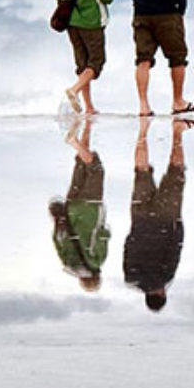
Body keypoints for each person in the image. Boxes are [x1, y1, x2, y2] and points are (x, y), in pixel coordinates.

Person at [124, 117, 194, 311]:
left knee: (176, 174)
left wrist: (178, 224)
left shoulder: (165, 277)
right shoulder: (131, 276)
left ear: (162, 295)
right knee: (141, 172)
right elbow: (127, 248)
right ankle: (142, 131)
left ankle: (178, 133)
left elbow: (175, 248)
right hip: (139, 219)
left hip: (165, 219)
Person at [50, 117, 110, 291]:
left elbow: (102, 236)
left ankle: (74, 141)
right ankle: (86, 125)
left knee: (96, 168)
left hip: (90, 209)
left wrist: (105, 231)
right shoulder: (67, 261)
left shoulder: (97, 260)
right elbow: (57, 238)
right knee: (82, 164)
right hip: (70, 209)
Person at [56, 0, 114, 115]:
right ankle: (74, 90)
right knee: (96, 62)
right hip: (92, 21)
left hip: (72, 22)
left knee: (82, 64)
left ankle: (89, 107)